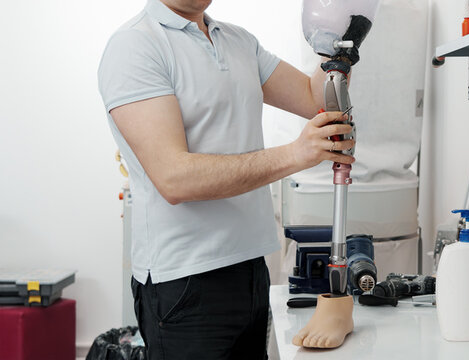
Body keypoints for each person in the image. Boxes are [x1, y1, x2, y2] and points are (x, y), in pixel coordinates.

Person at [97, 0, 355, 358]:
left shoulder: (238, 41)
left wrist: (342, 41)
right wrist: (296, 153)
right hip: (185, 281)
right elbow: (175, 179)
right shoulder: (135, 45)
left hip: (249, 267)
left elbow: (314, 98)